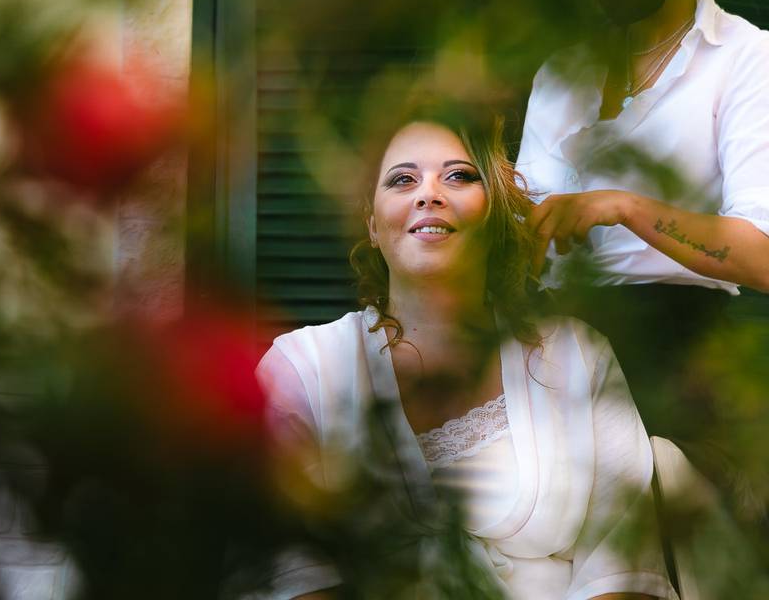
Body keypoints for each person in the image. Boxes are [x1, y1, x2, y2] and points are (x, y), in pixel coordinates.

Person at [252, 115, 677, 599]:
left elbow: (626, 569)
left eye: (458, 175)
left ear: (494, 217)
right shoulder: (303, 368)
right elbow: (290, 573)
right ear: (372, 225)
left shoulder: (578, 354)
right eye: (402, 179)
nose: (429, 194)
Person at [515, 0, 769, 404]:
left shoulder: (747, 57)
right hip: (552, 359)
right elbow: (524, 229)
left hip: (680, 361)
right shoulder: (560, 72)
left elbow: (762, 256)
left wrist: (624, 207)